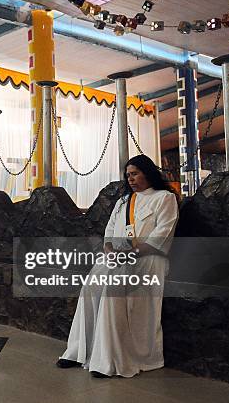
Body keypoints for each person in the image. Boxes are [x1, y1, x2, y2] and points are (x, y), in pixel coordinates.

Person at [57, 154, 179, 378]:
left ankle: (109, 359)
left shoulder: (164, 198)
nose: (131, 179)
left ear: (147, 173)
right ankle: (78, 351)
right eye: (128, 175)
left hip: (148, 259)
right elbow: (110, 232)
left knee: (112, 292)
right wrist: (111, 252)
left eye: (135, 174)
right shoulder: (123, 201)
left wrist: (130, 254)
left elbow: (161, 236)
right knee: (90, 288)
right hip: (118, 257)